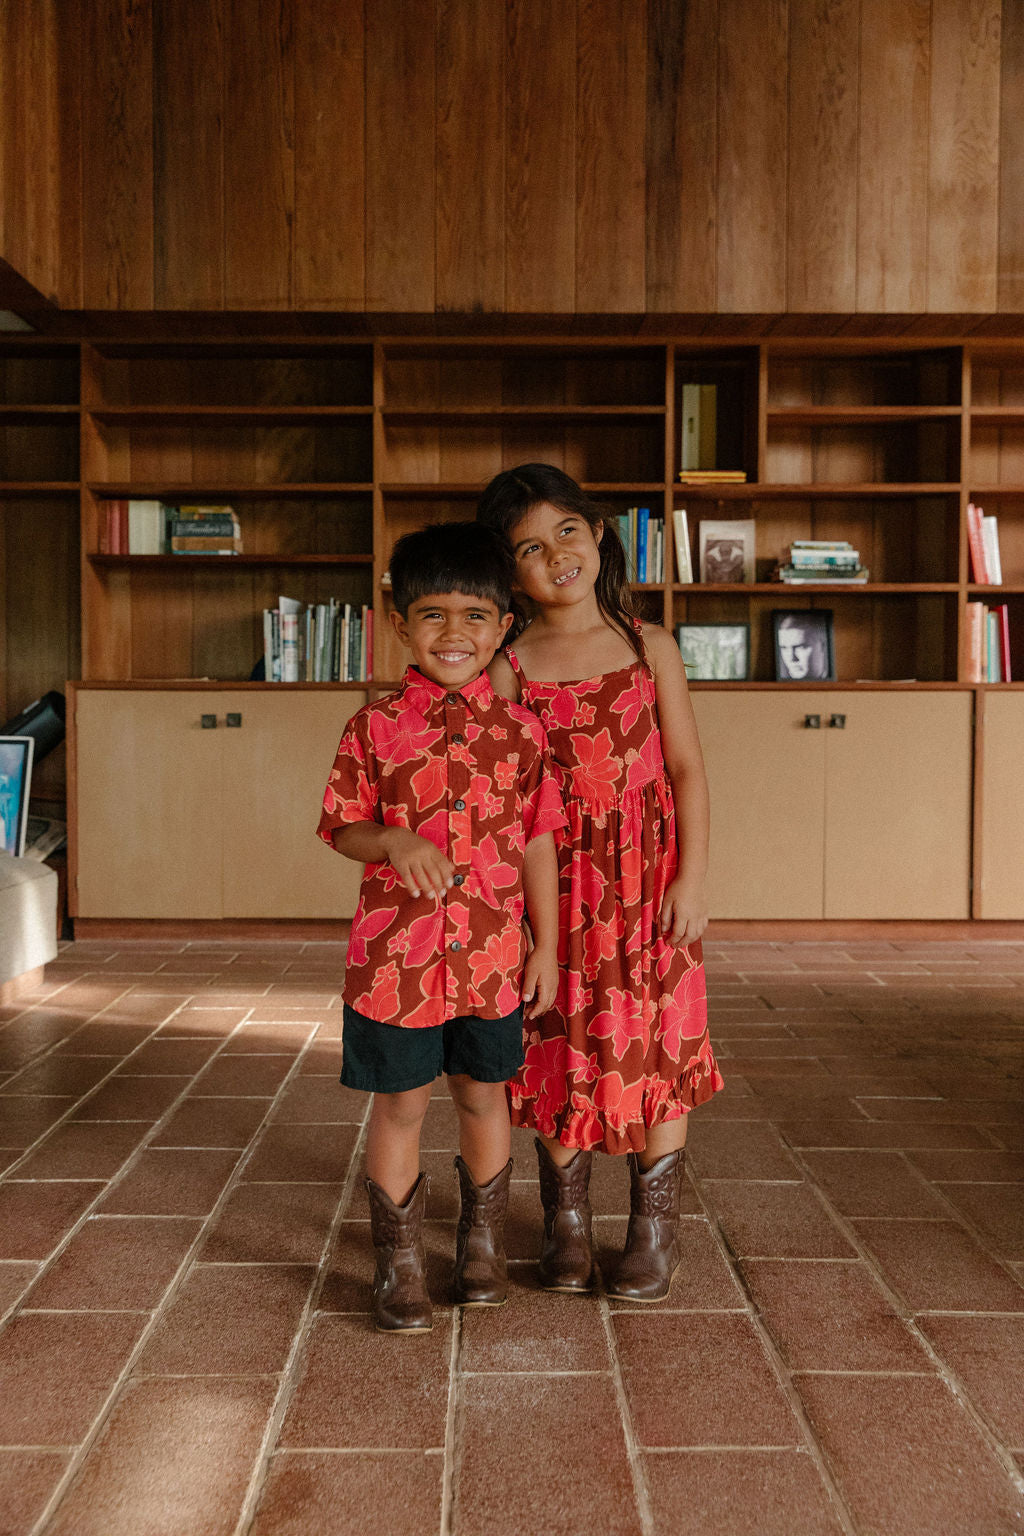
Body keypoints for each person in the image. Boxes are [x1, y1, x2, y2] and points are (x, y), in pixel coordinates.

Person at [477, 464, 724, 1303]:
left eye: (568, 533)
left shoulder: (649, 645)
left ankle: (652, 1231)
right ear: (512, 574)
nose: (556, 557)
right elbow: (509, 804)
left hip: (649, 882)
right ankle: (567, 1225)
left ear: (599, 533)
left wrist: (691, 878)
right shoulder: (510, 666)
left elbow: (686, 769)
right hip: (558, 889)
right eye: (531, 550)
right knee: (559, 1043)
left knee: (658, 1040)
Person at [317, 522, 564, 1334]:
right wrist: (391, 839)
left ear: (502, 628)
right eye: (432, 615)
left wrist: (549, 947)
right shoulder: (373, 728)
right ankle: (397, 1262)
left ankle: (481, 1245)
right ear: (400, 624)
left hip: (493, 958)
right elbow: (342, 825)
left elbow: (537, 842)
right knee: (399, 1106)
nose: (453, 634)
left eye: (473, 616)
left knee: (483, 1093)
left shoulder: (522, 735)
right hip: (396, 963)